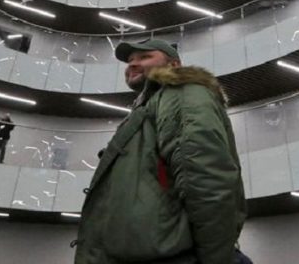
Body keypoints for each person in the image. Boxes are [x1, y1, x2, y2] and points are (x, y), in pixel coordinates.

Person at [74, 39, 247, 264]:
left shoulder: (180, 93)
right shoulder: (149, 106)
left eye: (145, 57)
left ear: (173, 65)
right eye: (130, 60)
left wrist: (215, 259)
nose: (132, 64)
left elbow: (205, 178)